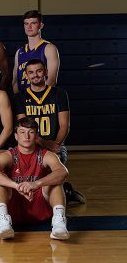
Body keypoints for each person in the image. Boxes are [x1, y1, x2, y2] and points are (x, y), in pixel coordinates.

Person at [0, 117, 70, 240]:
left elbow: (63, 172)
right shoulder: (9, 155)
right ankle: (3, 221)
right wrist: (16, 185)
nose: (27, 136)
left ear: (36, 136)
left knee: (56, 181)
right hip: (15, 205)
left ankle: (59, 223)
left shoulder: (46, 155)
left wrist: (36, 183)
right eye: (22, 132)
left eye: (31, 132)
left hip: (39, 204)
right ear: (16, 136)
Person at [13, 59, 85, 203]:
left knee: (57, 158)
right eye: (31, 72)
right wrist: (42, 143)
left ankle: (61, 191)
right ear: (26, 75)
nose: (35, 75)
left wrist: (56, 144)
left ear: (45, 72)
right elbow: (23, 127)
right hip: (31, 144)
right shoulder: (20, 97)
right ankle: (63, 190)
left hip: (54, 144)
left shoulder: (59, 93)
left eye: (39, 71)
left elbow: (64, 125)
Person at [12, 10, 60, 93]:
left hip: (42, 100)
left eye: (33, 23)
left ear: (41, 25)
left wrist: (38, 99)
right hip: (23, 100)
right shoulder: (19, 52)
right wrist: (18, 99)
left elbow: (51, 80)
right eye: (26, 23)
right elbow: (15, 81)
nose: (29, 27)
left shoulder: (49, 48)